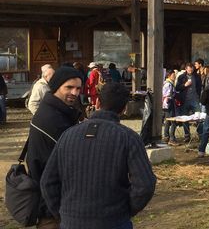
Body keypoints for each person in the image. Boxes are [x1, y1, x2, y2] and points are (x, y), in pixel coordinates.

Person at [40, 82, 156, 229]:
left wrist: (62, 212)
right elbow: (145, 185)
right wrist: (126, 210)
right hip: (113, 221)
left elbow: (47, 182)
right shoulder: (128, 138)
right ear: (124, 108)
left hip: (71, 221)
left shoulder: (67, 135)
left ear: (97, 102)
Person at [27, 66, 83, 228]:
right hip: (52, 206)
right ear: (56, 86)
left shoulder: (57, 111)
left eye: (78, 88)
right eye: (69, 87)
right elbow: (75, 159)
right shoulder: (53, 119)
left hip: (55, 200)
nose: (74, 93)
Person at [175, 62, 202, 142]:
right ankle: (187, 135)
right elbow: (177, 88)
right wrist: (185, 85)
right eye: (189, 69)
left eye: (191, 69)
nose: (190, 71)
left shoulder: (197, 77)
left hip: (195, 99)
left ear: (193, 69)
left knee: (199, 117)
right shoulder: (181, 77)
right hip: (185, 100)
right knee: (185, 118)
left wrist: (198, 96)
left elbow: (199, 87)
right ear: (186, 69)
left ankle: (200, 134)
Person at [162, 69, 177, 145]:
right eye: (173, 75)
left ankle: (166, 137)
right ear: (169, 76)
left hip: (167, 104)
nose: (174, 77)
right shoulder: (168, 84)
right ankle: (172, 139)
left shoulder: (169, 83)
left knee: (167, 121)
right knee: (173, 121)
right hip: (169, 104)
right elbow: (165, 94)